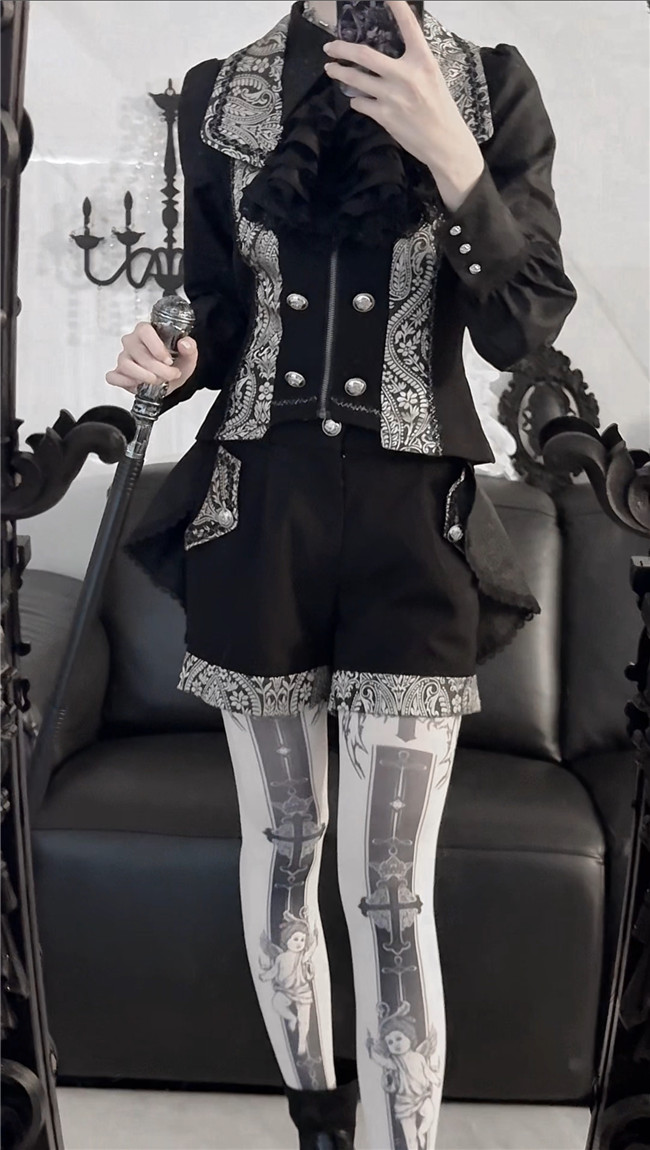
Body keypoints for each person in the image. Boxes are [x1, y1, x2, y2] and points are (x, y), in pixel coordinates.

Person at [106, 2, 577, 1146]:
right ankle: (318, 1124)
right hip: (256, 515)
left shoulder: (487, 85)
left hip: (413, 530)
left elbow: (522, 328)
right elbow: (217, 310)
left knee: (392, 889)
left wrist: (452, 156)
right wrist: (174, 353)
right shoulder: (221, 91)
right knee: (281, 852)